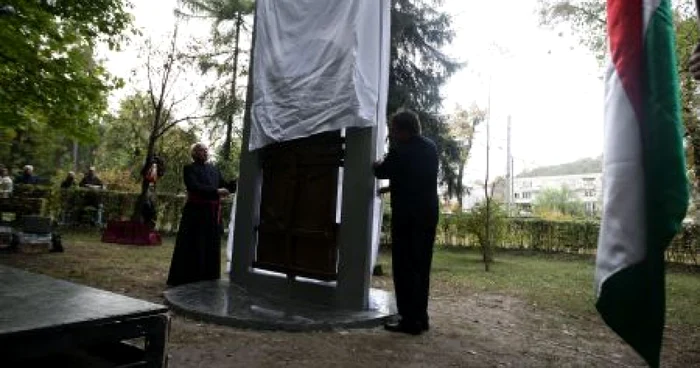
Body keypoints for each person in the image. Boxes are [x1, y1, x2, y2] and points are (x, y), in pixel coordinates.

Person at [373, 110, 439, 335]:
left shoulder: (400, 150)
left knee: (404, 268)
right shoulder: (430, 147)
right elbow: (415, 178)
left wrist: (378, 162)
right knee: (421, 267)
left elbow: (380, 170)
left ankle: (409, 322)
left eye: (393, 130)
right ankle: (421, 317)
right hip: (428, 216)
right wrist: (390, 187)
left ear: (403, 130)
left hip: (407, 219)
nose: (391, 134)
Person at [167, 143, 237, 287]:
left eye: (206, 150)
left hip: (211, 216)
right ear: (194, 153)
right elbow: (194, 187)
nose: (205, 152)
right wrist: (216, 192)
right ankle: (188, 278)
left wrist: (239, 180)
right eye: (201, 150)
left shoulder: (214, 169)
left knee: (210, 245)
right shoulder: (189, 169)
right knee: (194, 244)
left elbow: (226, 186)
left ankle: (208, 278)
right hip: (195, 214)